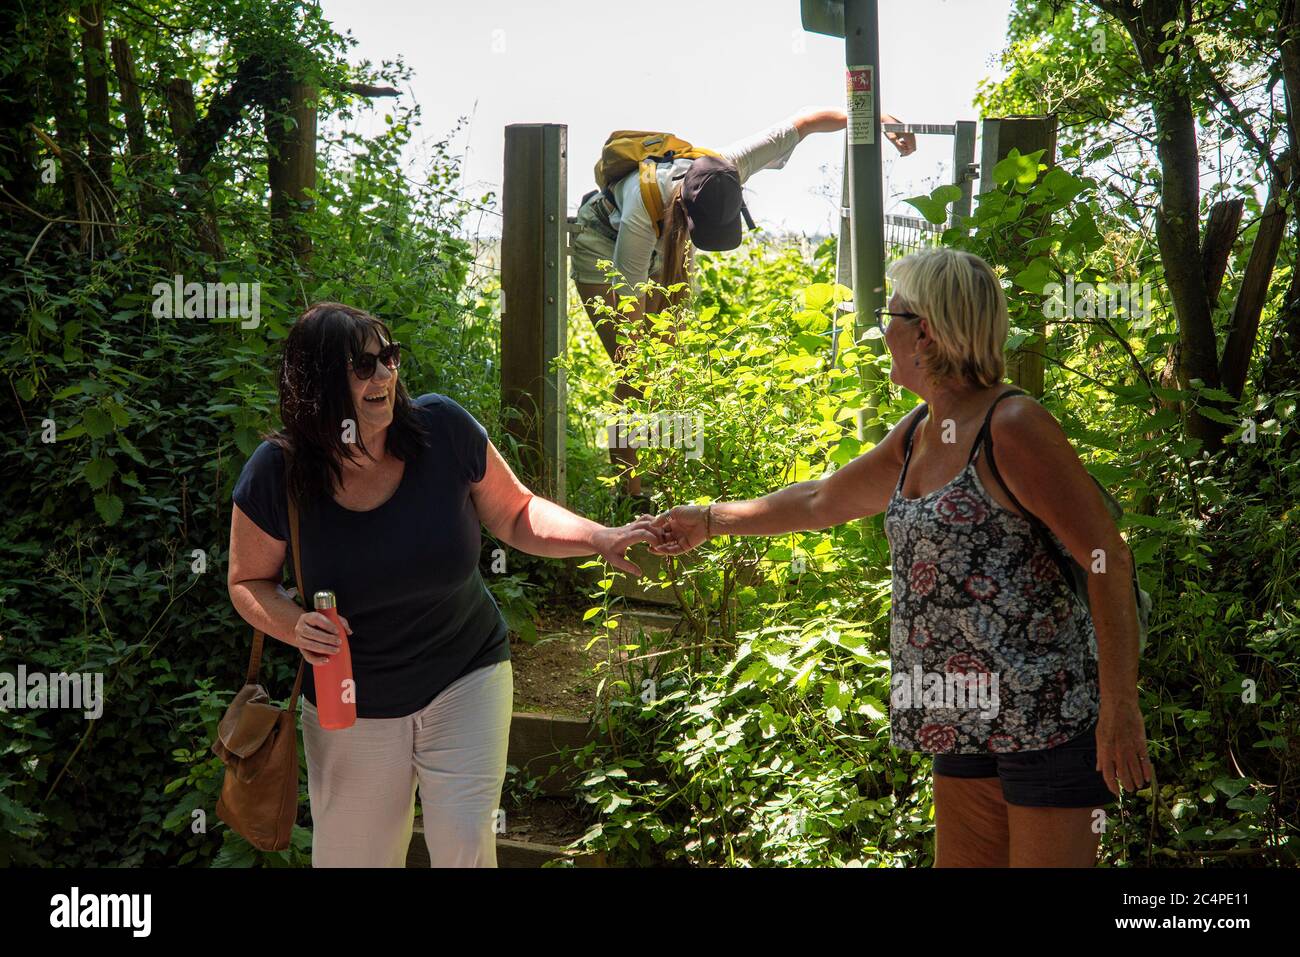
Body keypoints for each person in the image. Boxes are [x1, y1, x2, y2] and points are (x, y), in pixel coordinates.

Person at [647, 247, 1151, 867]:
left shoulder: (1013, 425)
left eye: (892, 315)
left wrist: (1120, 704)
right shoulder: (920, 430)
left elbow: (1107, 558)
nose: (882, 331)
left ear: (927, 331)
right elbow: (817, 501)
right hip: (961, 713)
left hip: (1047, 718)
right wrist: (706, 520)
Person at [227, 302, 663, 867]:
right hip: (352, 699)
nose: (384, 375)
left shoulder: (442, 429)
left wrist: (597, 537)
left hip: (466, 674)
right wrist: (295, 625)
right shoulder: (277, 471)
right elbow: (248, 581)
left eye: (389, 357)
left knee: (463, 845)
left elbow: (516, 513)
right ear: (316, 382)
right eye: (363, 365)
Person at [571, 108, 916, 499]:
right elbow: (632, 340)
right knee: (635, 369)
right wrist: (644, 352)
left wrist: (881, 117)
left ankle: (670, 479)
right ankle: (630, 495)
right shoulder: (638, 214)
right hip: (604, 241)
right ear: (687, 213)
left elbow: (806, 124)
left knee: (670, 363)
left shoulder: (730, 165)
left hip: (668, 241)